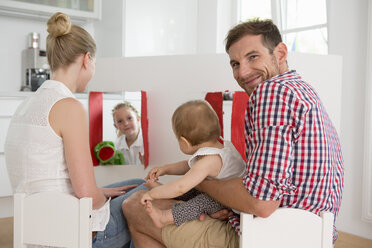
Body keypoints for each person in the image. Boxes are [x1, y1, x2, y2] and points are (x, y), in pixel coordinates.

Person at [122, 18, 344, 248]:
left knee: (134, 206)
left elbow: (261, 203)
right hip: (309, 234)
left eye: (253, 56)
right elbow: (264, 188)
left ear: (280, 52)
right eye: (235, 63)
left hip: (270, 236)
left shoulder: (271, 94)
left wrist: (200, 184)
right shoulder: (302, 90)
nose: (243, 72)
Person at [4, 12, 146, 248]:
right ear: (86, 59)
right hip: (72, 232)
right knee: (144, 191)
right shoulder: (69, 106)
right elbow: (87, 195)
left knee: (132, 183)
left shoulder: (26, 105)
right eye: (94, 64)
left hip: (36, 225)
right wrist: (100, 196)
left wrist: (103, 192)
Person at [141, 100, 245, 228]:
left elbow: (180, 186)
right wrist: (165, 169)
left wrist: (152, 194)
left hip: (231, 203)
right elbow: (188, 166)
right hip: (225, 193)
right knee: (195, 188)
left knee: (202, 200)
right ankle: (165, 192)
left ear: (184, 142)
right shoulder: (217, 147)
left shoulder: (211, 160)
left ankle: (165, 218)